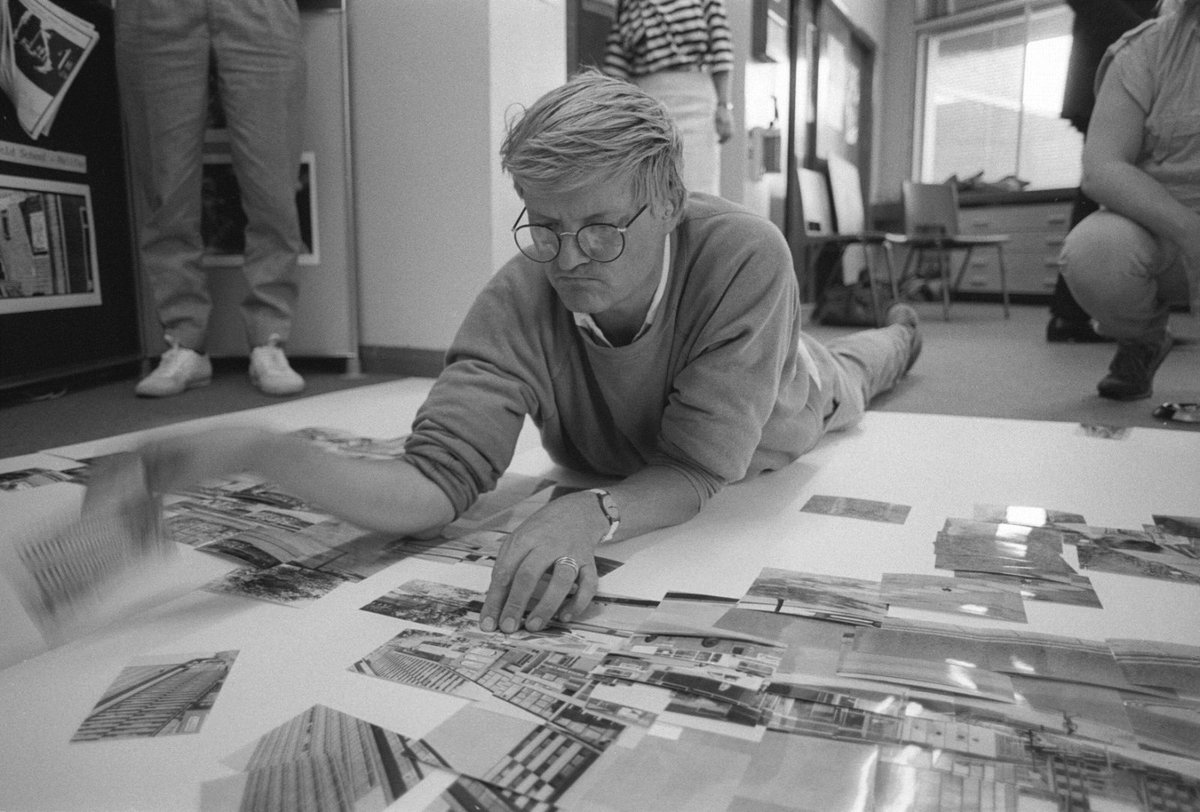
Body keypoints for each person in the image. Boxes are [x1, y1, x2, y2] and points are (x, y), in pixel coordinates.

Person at [95, 72, 921, 634]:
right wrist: (261, 450)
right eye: (546, 226)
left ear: (668, 202)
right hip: (645, 441)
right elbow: (431, 484)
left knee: (860, 369)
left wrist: (588, 509)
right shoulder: (522, 294)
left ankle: (904, 332)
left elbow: (699, 470)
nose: (566, 260)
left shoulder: (746, 255)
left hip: (789, 401)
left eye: (600, 230)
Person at [116, 0, 308, 398]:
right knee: (166, 191)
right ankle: (184, 342)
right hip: (154, 11)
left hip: (259, 10)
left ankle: (268, 339)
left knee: (272, 186)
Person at [1060, 0, 1200, 400]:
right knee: (1095, 252)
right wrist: (1190, 231)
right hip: (1164, 237)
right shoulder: (1144, 51)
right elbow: (1102, 168)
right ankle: (1143, 340)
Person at [1047, 0, 1156, 343]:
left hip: (1130, 74)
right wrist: (1154, 27)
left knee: (1109, 192)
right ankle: (1071, 314)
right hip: (1106, 76)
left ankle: (1080, 314)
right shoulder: (1149, 28)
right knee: (1102, 189)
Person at [602, 0, 734, 196]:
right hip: (647, 104)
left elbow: (722, 52)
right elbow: (616, 65)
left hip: (695, 101)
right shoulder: (629, 3)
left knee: (696, 187)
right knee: (651, 186)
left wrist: (724, 105)